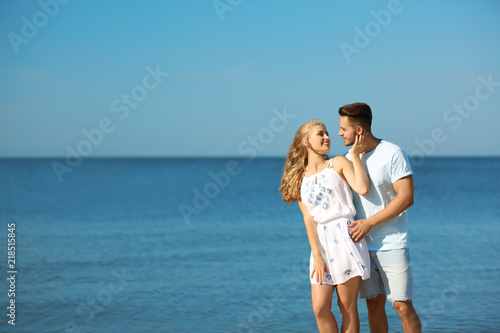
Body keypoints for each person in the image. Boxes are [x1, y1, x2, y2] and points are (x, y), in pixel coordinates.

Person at [279, 119, 371, 333]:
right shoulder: (299, 178)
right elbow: (309, 219)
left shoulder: (338, 163)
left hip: (346, 238)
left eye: (327, 133)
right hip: (321, 243)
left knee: (347, 307)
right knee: (320, 308)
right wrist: (317, 255)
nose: (327, 137)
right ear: (306, 141)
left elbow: (363, 188)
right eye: (321, 133)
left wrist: (355, 156)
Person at [337, 102, 422, 333]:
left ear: (360, 130)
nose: (339, 133)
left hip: (392, 243)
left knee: (402, 306)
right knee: (373, 304)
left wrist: (370, 223)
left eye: (344, 128)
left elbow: (406, 198)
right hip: (361, 246)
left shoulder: (392, 153)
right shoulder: (349, 158)